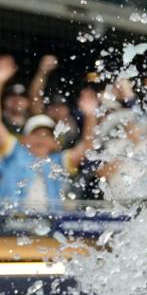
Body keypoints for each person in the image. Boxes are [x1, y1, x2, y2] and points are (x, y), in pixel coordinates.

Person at [0, 55, 98, 210]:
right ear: (25, 139)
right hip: (8, 227)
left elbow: (87, 148)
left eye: (47, 135)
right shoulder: (13, 153)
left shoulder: (59, 161)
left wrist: (91, 115)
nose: (41, 139)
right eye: (36, 134)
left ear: (56, 143)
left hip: (50, 229)